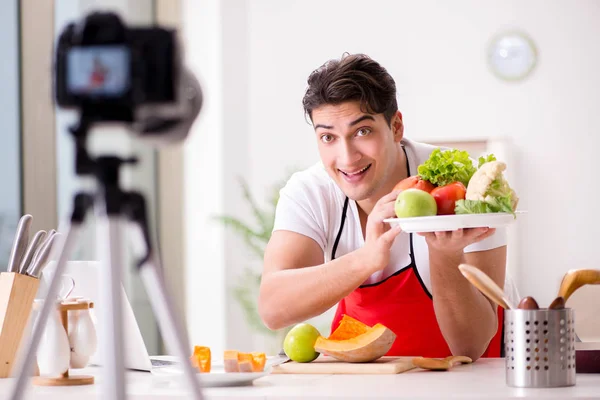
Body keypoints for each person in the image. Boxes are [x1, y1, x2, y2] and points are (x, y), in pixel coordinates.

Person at [258, 53, 517, 360]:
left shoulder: (463, 186)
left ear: (396, 127)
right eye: (328, 137)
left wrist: (446, 256)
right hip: (373, 382)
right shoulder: (310, 192)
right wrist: (365, 260)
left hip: (479, 379)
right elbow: (273, 310)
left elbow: (471, 345)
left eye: (362, 132)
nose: (347, 157)